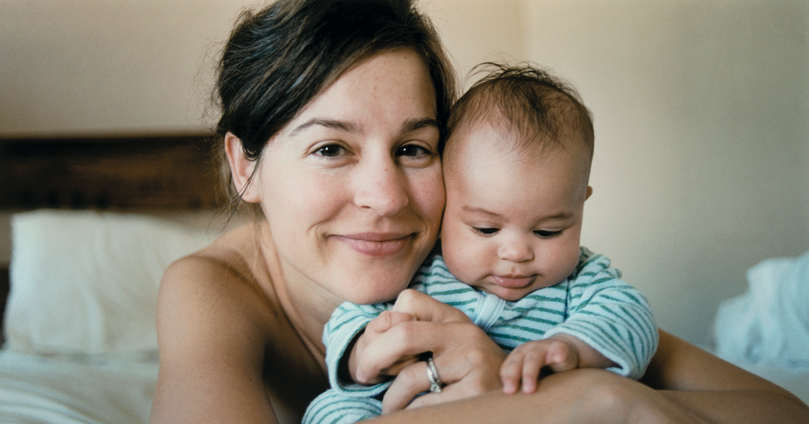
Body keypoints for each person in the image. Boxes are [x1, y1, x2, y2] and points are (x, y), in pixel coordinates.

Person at [149, 0, 809, 423]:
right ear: (246, 165)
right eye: (330, 147)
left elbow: (777, 411)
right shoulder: (212, 290)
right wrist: (576, 404)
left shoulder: (477, 262)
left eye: (413, 147)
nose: (387, 198)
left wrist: (558, 379)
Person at [304, 64, 659, 424]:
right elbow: (349, 316)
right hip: (404, 407)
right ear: (445, 206)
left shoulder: (581, 281)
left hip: (524, 412)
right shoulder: (421, 272)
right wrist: (363, 347)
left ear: (579, 206)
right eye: (486, 229)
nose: (517, 253)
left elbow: (632, 315)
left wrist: (571, 347)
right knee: (330, 407)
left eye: (548, 231)